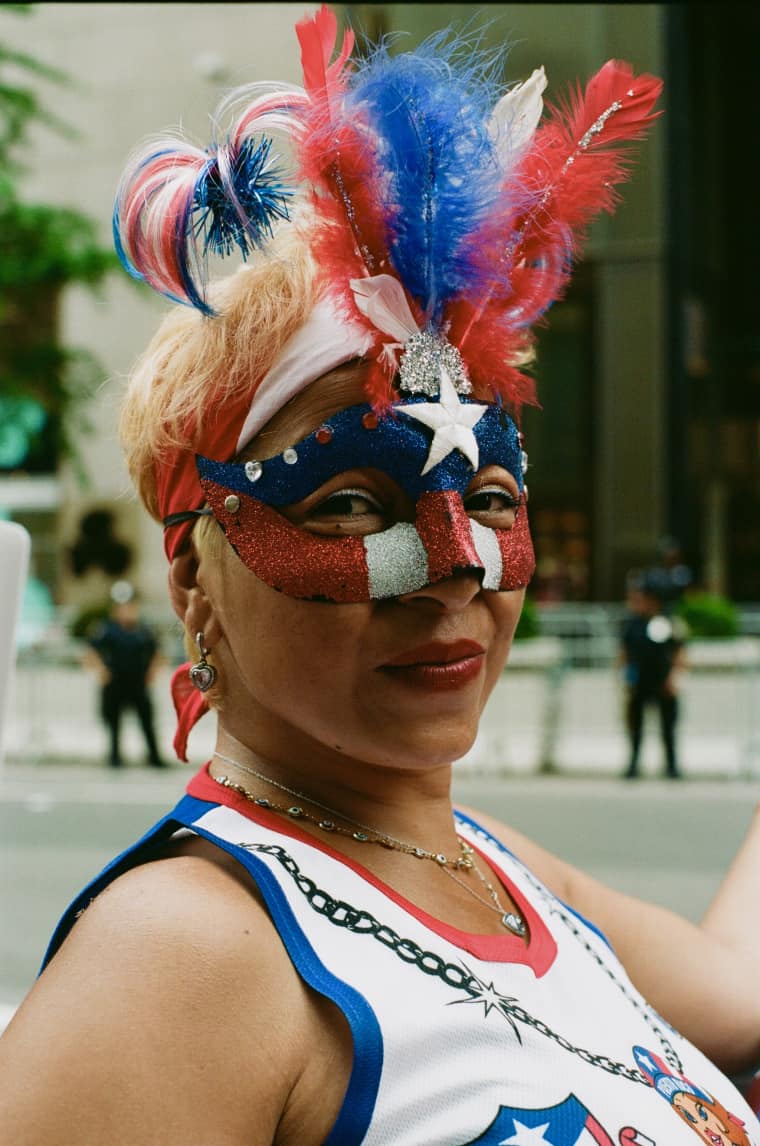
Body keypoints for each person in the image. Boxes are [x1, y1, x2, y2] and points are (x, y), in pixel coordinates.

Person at [1, 8, 759, 1142]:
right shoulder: (182, 955)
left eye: (491, 499)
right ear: (193, 583)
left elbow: (736, 992)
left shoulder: (495, 863)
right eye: (350, 503)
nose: (454, 568)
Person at [83, 580, 167, 768]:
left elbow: (157, 652)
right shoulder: (107, 629)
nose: (127, 610)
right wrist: (101, 671)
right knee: (114, 723)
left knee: (147, 721)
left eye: (130, 606)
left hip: (138, 682)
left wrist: (153, 672)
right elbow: (90, 652)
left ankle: (154, 756)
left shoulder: (143, 630)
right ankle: (115, 757)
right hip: (116, 683)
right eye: (123, 607)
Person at [620, 577, 688, 780]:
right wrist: (624, 678)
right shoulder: (632, 624)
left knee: (668, 727)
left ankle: (671, 766)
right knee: (635, 726)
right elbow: (624, 653)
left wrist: (675, 678)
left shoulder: (668, 621)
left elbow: (680, 652)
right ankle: (633, 764)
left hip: (663, 681)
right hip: (639, 681)